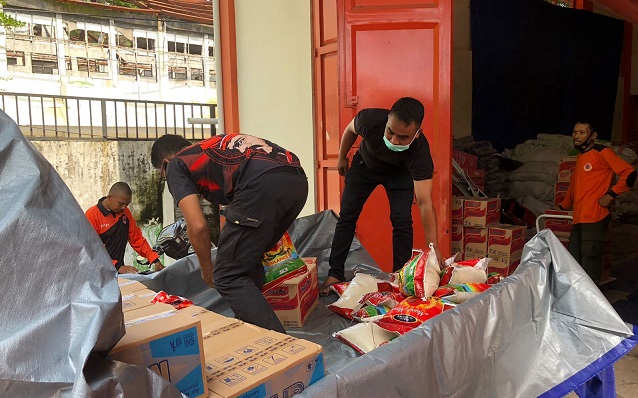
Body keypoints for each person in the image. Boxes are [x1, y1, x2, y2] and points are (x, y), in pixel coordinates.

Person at [150, 133, 308, 333]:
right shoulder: (210, 149)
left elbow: (197, 226)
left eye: (162, 175)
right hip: (297, 181)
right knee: (247, 260)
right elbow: (229, 207)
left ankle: (284, 348)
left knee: (227, 274)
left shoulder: (176, 164)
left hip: (262, 185)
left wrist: (207, 270)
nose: (167, 179)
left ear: (165, 163)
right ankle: (251, 331)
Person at [321, 97, 443, 294]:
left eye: (403, 137)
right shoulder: (370, 119)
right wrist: (342, 157)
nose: (394, 140)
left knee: (402, 222)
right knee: (347, 217)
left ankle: (399, 279)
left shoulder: (420, 153)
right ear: (387, 121)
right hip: (365, 167)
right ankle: (335, 273)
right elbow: (350, 130)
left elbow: (425, 202)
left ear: (417, 133)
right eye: (390, 132)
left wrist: (433, 245)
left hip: (398, 174)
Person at [560, 121, 636, 285]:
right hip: (580, 217)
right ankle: (576, 296)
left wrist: (611, 194)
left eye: (582, 132)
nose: (577, 136)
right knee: (574, 257)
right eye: (575, 132)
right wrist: (563, 206)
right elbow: (575, 186)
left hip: (595, 216)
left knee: (590, 257)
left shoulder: (602, 152)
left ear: (593, 136)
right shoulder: (581, 157)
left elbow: (629, 173)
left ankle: (591, 299)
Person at [86, 182, 164, 274]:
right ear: (109, 197)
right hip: (97, 273)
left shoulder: (125, 213)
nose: (124, 207)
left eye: (127, 204)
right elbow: (91, 250)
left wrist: (154, 260)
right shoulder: (91, 216)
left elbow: (137, 239)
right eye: (121, 203)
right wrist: (117, 266)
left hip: (117, 271)